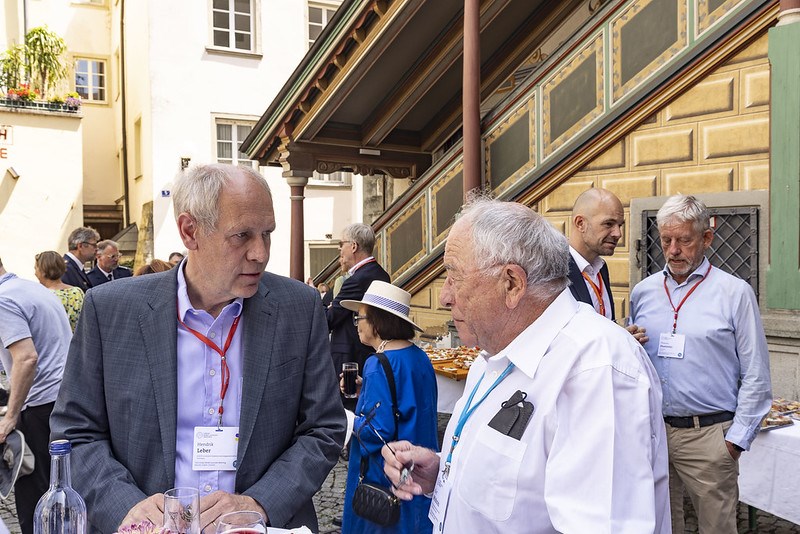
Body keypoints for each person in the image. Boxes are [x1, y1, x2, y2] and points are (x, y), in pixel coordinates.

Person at [49, 163, 346, 533]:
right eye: (241, 236)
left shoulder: (298, 307)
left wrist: (259, 502)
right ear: (190, 231)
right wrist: (127, 507)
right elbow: (75, 431)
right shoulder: (110, 309)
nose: (260, 253)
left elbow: (324, 427)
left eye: (267, 234)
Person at [382, 197, 670, 533]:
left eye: (454, 277)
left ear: (512, 284)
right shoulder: (492, 356)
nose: (445, 297)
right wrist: (444, 472)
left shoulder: (595, 369)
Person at [630, 195, 772, 533]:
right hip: (654, 434)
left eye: (684, 240)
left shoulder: (735, 293)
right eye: (666, 240)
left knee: (716, 528)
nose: (673, 250)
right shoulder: (643, 292)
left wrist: (734, 442)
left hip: (709, 436)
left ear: (706, 238)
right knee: (659, 525)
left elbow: (756, 373)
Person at [339, 281, 438, 534]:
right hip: (420, 468)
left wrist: (346, 419)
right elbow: (408, 401)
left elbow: (376, 431)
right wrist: (366, 392)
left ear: (377, 321)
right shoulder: (419, 356)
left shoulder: (377, 363)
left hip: (386, 475)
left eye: (359, 317)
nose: (357, 324)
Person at [0, 255, 72, 534]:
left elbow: (27, 358)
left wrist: (11, 416)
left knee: (35, 496)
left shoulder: (3, 300)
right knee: (60, 486)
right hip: (63, 397)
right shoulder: (32, 289)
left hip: (39, 405)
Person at [327, 224, 390, 378]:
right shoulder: (381, 274)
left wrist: (317, 303)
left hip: (351, 358)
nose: (339, 249)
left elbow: (329, 318)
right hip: (370, 352)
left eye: (341, 244)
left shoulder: (357, 280)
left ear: (354, 246)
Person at [34, 251, 84, 332]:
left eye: (36, 269)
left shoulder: (41, 296)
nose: (35, 273)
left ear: (43, 271)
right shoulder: (77, 292)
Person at [62, 226, 100, 292]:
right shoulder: (66, 269)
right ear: (80, 246)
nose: (97, 249)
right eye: (94, 245)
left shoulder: (75, 267)